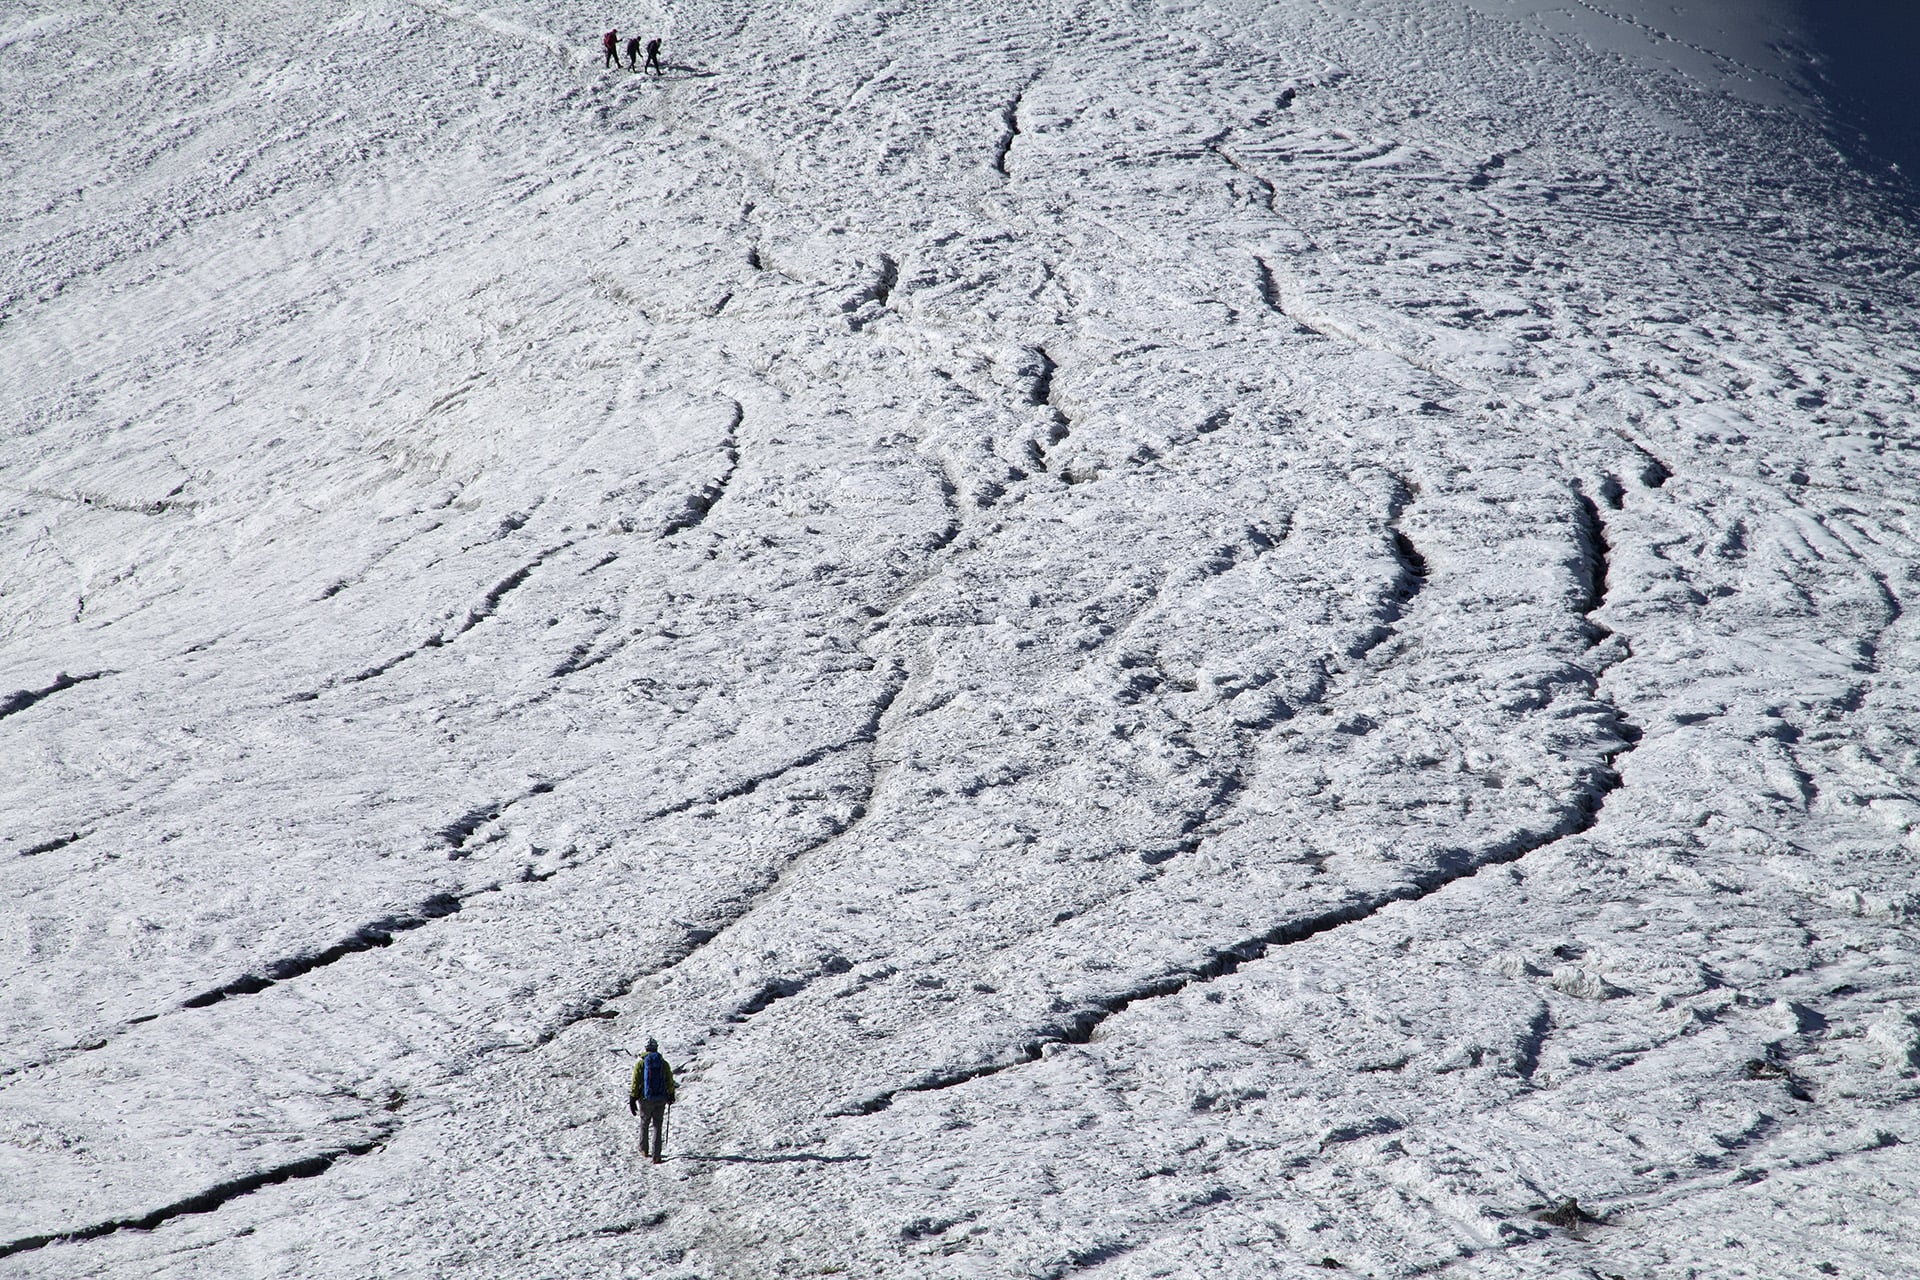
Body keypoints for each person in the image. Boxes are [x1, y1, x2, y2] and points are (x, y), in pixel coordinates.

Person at [628, 1038, 677, 1162]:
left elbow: (636, 1081)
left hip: (645, 1099)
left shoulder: (641, 1063)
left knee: (644, 1123)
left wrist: (633, 1097)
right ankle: (656, 1156)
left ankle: (644, 1149)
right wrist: (671, 1095)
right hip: (661, 1098)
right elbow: (669, 1080)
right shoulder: (663, 1063)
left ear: (646, 1049)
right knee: (657, 1126)